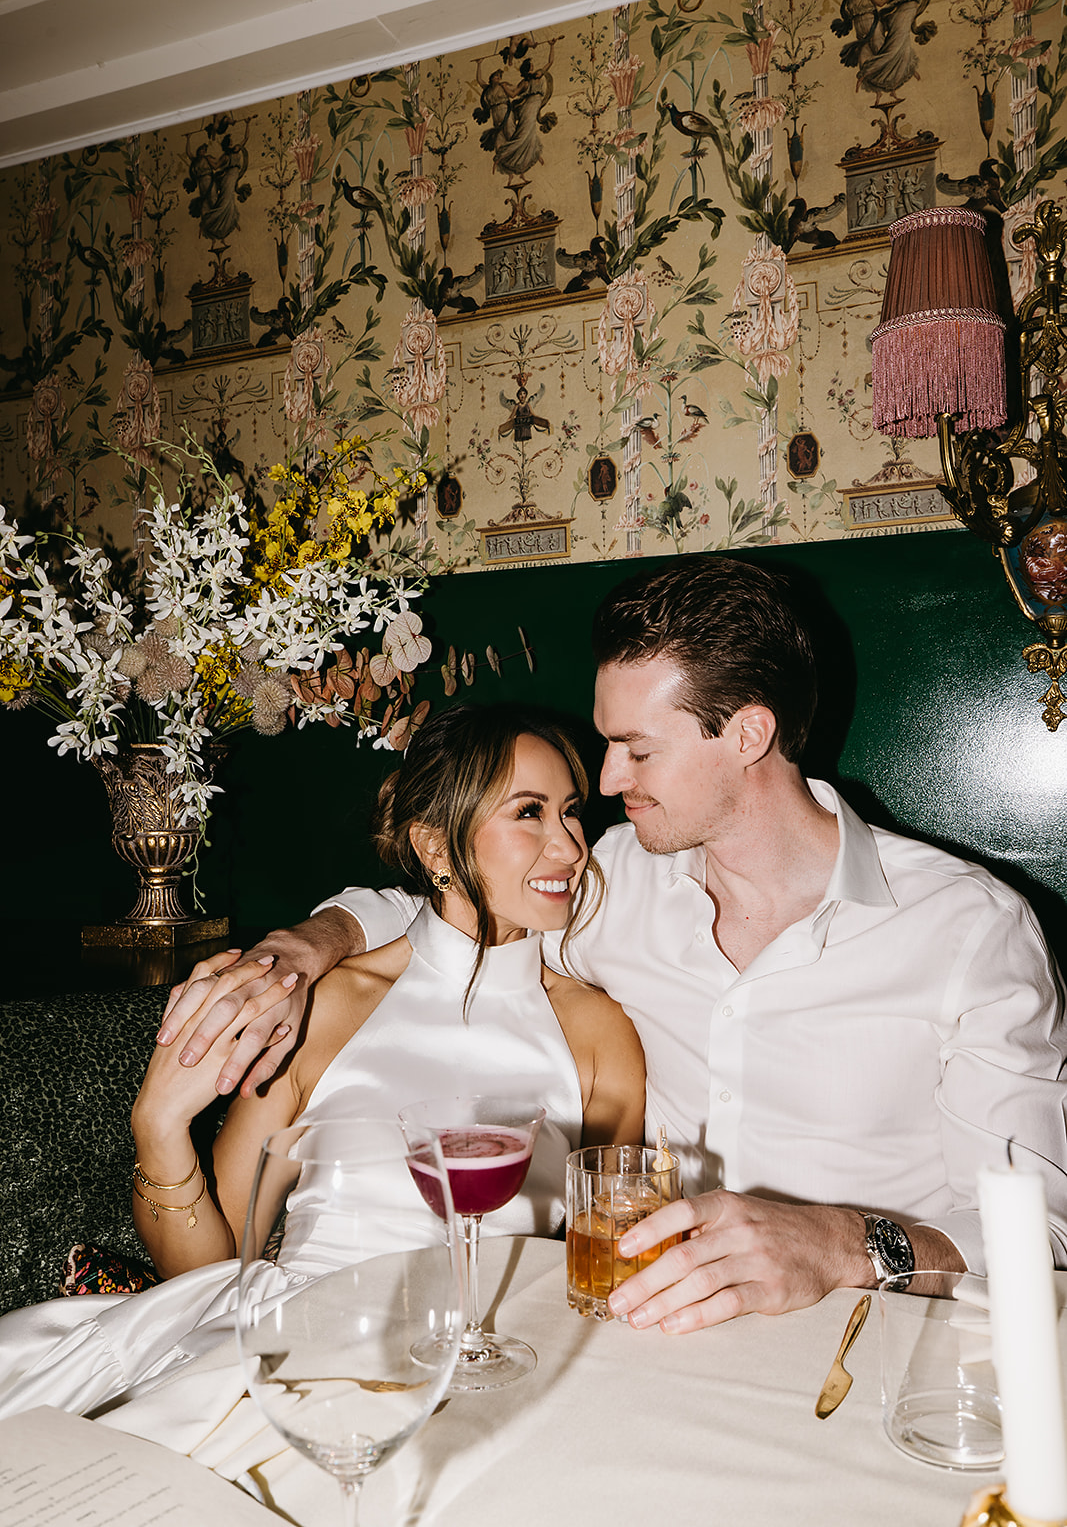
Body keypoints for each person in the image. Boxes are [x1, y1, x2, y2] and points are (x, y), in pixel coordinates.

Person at [163, 555, 1067, 1335]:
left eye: (635, 749)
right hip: (656, 1336)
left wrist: (839, 1246)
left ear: (747, 733)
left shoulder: (967, 933)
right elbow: (459, 901)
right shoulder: (609, 881)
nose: (605, 782)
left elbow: (1044, 1231)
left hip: (871, 1335)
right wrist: (314, 941)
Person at [0, 703, 644, 1422]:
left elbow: (612, 1252)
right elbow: (213, 1271)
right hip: (288, 1345)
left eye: (570, 811)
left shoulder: (597, 1033)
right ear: (435, 846)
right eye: (528, 812)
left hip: (485, 1367)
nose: (568, 845)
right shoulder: (329, 1006)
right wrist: (157, 1127)